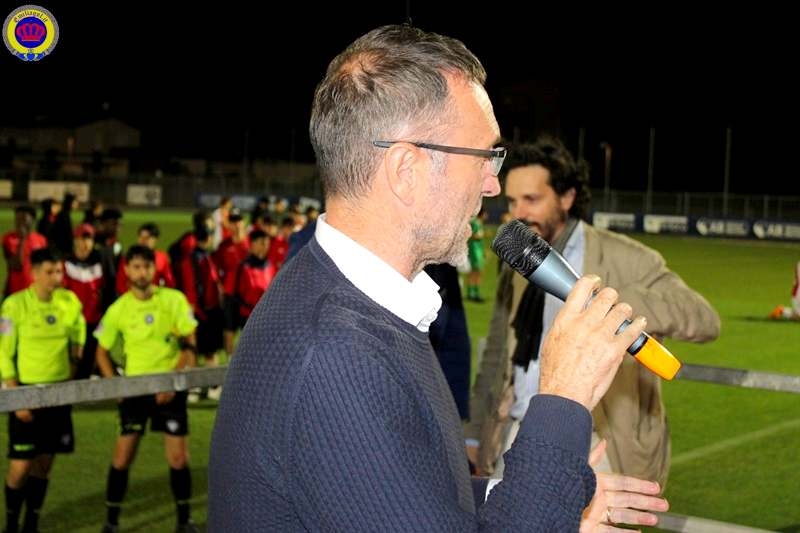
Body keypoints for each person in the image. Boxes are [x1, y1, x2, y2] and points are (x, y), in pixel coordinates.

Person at [208, 25, 668, 531]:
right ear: (406, 169)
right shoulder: (337, 351)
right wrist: (563, 397)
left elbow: (402, 493)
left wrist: (551, 502)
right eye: (485, 157)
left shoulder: (343, 299)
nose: (493, 185)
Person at [465, 137, 721, 487]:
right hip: (519, 434)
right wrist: (475, 434)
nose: (519, 212)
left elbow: (704, 318)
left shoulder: (626, 256)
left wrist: (612, 304)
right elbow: (497, 355)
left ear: (567, 198)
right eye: (512, 201)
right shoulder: (520, 263)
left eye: (532, 199)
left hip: (597, 446)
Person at [94, 245, 200, 533]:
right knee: (122, 458)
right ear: (127, 270)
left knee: (178, 458)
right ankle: (111, 521)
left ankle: (184, 521)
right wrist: (116, 386)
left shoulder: (174, 300)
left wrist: (172, 382)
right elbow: (101, 351)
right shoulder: (119, 308)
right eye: (137, 267)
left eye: (147, 267)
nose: (142, 273)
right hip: (135, 393)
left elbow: (189, 343)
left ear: (155, 269)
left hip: (170, 390)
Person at [1, 248, 85, 533]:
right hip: (26, 393)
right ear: (34, 273)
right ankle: (11, 523)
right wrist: (16, 398)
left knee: (44, 465)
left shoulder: (69, 301)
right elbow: (3, 353)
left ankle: (31, 523)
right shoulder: (14, 305)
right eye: (49, 272)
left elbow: (79, 329)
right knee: (20, 467)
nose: (56, 277)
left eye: (59, 271)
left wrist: (75, 358)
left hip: (58, 394)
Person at [63, 223, 106, 379]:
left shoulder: (100, 263)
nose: (85, 244)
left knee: (88, 360)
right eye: (81, 239)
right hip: (71, 323)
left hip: (93, 321)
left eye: (88, 239)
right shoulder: (65, 264)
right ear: (75, 241)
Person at [116, 222, 176, 293]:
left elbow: (169, 282)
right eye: (141, 237)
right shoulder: (129, 257)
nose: (143, 240)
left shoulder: (162, 258)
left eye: (147, 238)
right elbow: (121, 283)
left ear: (155, 239)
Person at [3, 205, 48, 297]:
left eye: (23, 219)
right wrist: (22, 240)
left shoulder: (41, 240)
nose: (19, 223)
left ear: (32, 220)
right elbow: (16, 265)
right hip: (15, 291)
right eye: (17, 219)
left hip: (35, 291)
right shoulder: (8, 239)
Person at [466, 207, 488, 302]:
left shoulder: (479, 223)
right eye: (486, 213)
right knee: (475, 272)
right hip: (474, 250)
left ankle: (475, 292)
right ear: (482, 214)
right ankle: (472, 293)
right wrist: (479, 236)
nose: (487, 215)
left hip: (478, 250)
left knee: (478, 272)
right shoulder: (475, 223)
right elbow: (470, 235)